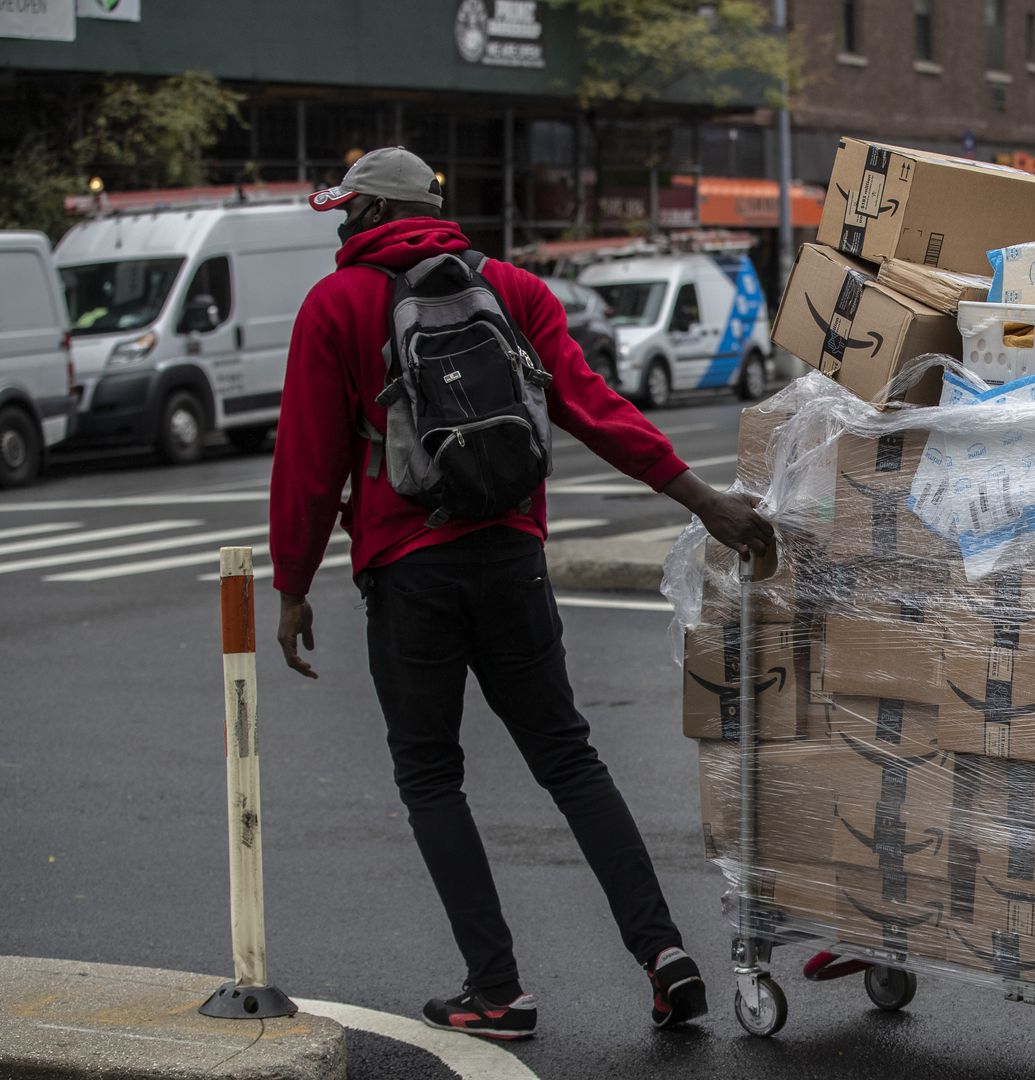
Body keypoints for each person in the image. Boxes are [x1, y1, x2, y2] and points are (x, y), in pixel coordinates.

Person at [269, 147, 772, 1040]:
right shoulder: (515, 291)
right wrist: (702, 500)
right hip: (513, 556)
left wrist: (293, 588)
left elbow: (307, 467)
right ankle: (663, 954)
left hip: (409, 569)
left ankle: (495, 989)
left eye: (348, 212)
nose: (341, 227)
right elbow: (593, 407)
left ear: (374, 214)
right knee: (569, 758)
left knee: (430, 776)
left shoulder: (336, 305)